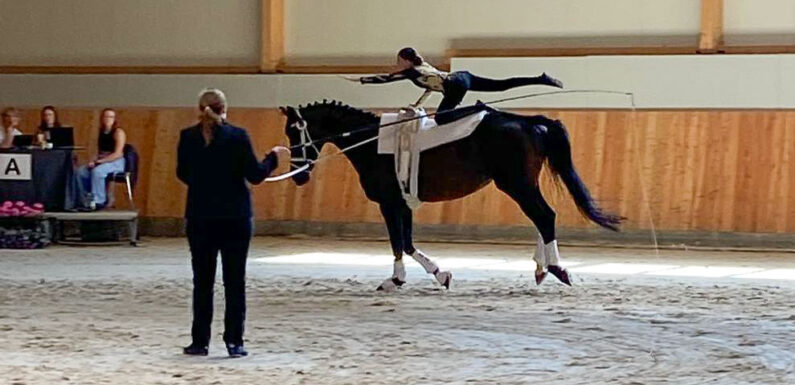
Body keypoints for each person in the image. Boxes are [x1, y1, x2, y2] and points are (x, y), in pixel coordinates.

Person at [177, 88, 289, 358]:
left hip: (200, 217)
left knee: (202, 282)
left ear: (199, 108)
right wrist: (272, 157)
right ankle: (234, 342)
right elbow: (256, 174)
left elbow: (182, 174)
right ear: (225, 109)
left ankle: (199, 342)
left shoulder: (188, 137)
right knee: (234, 282)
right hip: (235, 218)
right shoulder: (238, 136)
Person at [347, 47, 563, 124]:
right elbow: (431, 87)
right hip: (461, 77)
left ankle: (479, 108)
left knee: (441, 118)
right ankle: (540, 79)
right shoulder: (420, 69)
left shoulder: (412, 71)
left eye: (399, 61)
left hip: (455, 85)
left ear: (406, 60)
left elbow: (386, 79)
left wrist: (363, 80)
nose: (397, 64)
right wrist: (417, 104)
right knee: (502, 85)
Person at [74, 108, 126, 210]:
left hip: (116, 161)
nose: (108, 119)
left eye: (111, 117)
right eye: (106, 116)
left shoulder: (118, 132)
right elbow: (99, 152)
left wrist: (100, 162)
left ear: (115, 119)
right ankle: (86, 198)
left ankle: (99, 200)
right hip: (102, 159)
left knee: (98, 171)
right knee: (81, 171)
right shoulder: (101, 132)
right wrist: (93, 161)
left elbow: (118, 153)